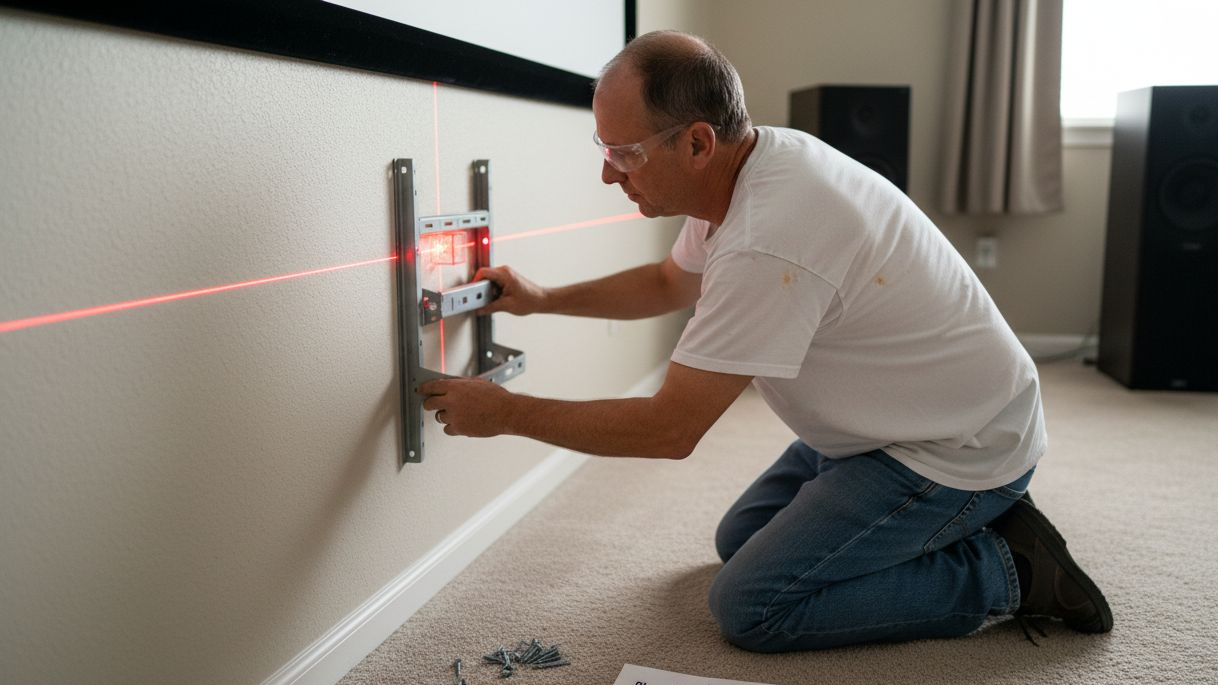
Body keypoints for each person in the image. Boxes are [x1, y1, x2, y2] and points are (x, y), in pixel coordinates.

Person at [418, 30, 1112, 651]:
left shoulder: (767, 237)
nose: (608, 172)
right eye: (603, 149)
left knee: (751, 605)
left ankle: (1009, 571)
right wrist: (543, 301)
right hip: (886, 423)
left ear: (695, 141)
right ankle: (947, 532)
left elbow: (670, 429)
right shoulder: (746, 169)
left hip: (955, 448)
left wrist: (507, 414)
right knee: (738, 541)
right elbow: (668, 283)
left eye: (623, 152)